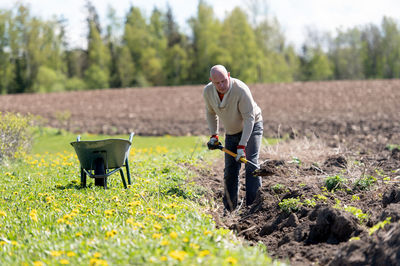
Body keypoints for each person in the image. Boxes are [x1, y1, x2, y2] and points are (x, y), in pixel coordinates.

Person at [203, 65, 263, 211]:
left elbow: (249, 119)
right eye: (217, 83)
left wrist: (242, 146)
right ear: (212, 81)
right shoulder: (208, 92)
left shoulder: (240, 89)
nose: (221, 85)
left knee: (251, 165)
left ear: (228, 75)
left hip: (252, 127)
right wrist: (214, 136)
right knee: (230, 170)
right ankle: (229, 209)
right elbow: (211, 113)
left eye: (224, 81)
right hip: (231, 131)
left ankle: (253, 207)